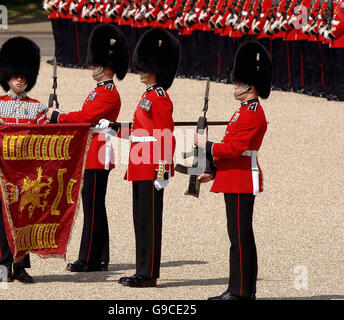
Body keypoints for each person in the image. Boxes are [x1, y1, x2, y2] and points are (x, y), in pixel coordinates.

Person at [98, 28, 181, 287]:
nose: (140, 71)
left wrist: (164, 171)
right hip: (139, 164)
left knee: (149, 223)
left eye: (144, 67)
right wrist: (113, 127)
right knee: (140, 222)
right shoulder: (147, 95)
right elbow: (139, 130)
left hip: (151, 168)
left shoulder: (159, 97)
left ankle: (148, 274)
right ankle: (142, 270)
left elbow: (166, 134)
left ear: (155, 69)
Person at [46, 23, 129, 272]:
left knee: (93, 207)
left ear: (106, 66)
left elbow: (84, 117)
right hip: (90, 152)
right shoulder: (99, 91)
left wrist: (57, 116)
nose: (91, 66)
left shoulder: (109, 93)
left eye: (95, 63)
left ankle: (90, 258)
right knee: (95, 206)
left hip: (97, 153)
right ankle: (99, 256)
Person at [194, 41, 272, 300]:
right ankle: (242, 290)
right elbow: (232, 147)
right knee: (238, 235)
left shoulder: (252, 113)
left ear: (251, 85)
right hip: (233, 175)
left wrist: (206, 145)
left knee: (240, 236)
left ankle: (240, 292)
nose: (235, 85)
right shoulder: (243, 111)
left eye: (240, 82)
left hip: (241, 177)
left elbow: (236, 148)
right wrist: (214, 171)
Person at [0, 37, 49, 283]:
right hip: (1, 174)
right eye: (16, 75)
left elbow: (49, 136)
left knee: (24, 220)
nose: (20, 79)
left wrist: (56, 114)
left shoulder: (36, 108)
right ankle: (4, 264)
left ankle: (21, 266)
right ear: (8, 77)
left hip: (26, 177)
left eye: (23, 76)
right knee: (4, 221)